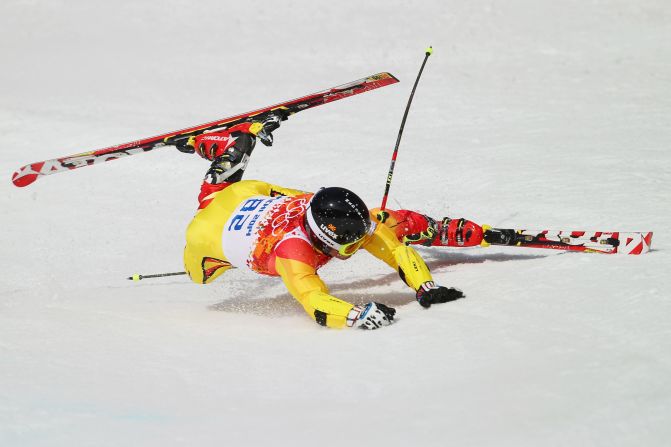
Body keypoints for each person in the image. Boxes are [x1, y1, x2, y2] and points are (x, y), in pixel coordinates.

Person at [178, 114, 481, 329]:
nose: (361, 243)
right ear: (324, 239)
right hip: (204, 237)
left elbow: (396, 250)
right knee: (200, 277)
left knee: (232, 175)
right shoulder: (293, 252)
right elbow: (314, 302)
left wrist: (425, 286)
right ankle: (215, 142)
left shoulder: (335, 211)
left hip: (244, 194)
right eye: (350, 243)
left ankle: (231, 141)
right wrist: (355, 316)